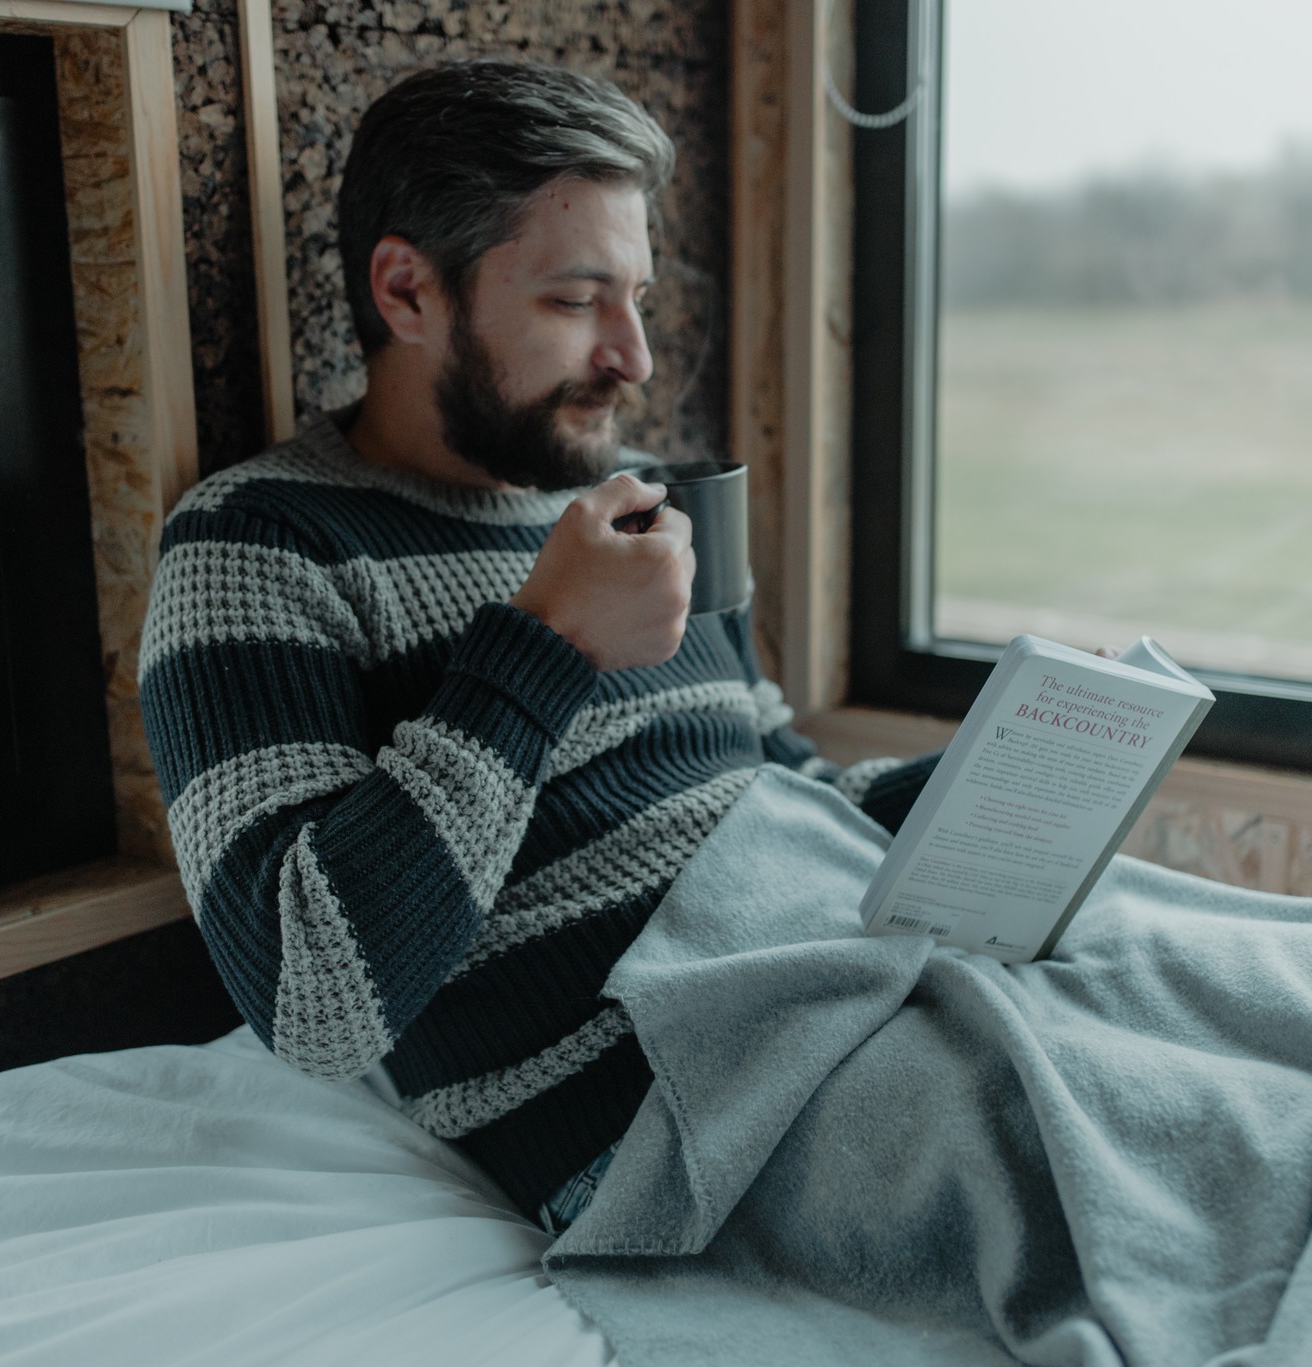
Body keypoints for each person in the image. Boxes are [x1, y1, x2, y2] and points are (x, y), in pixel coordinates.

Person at [137, 60, 935, 1228]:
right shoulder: (258, 545)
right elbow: (313, 1000)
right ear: (408, 292)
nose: (634, 357)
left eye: (637, 298)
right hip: (694, 1113)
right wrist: (543, 645)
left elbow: (783, 784)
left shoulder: (650, 507)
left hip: (855, 984)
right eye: (575, 301)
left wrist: (988, 787)